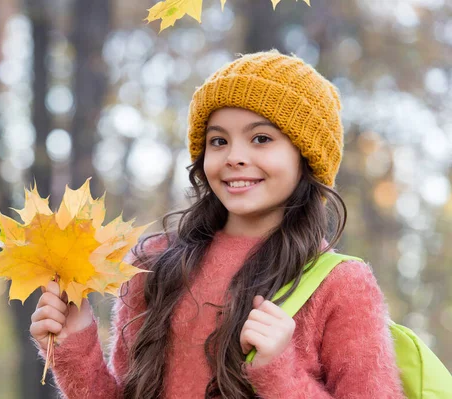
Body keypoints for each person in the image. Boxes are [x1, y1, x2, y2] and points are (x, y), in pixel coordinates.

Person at [29, 50, 405, 398]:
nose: (235, 157)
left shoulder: (340, 285)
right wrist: (75, 342)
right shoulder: (154, 262)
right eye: (219, 140)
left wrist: (279, 372)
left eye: (261, 138)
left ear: (306, 157)